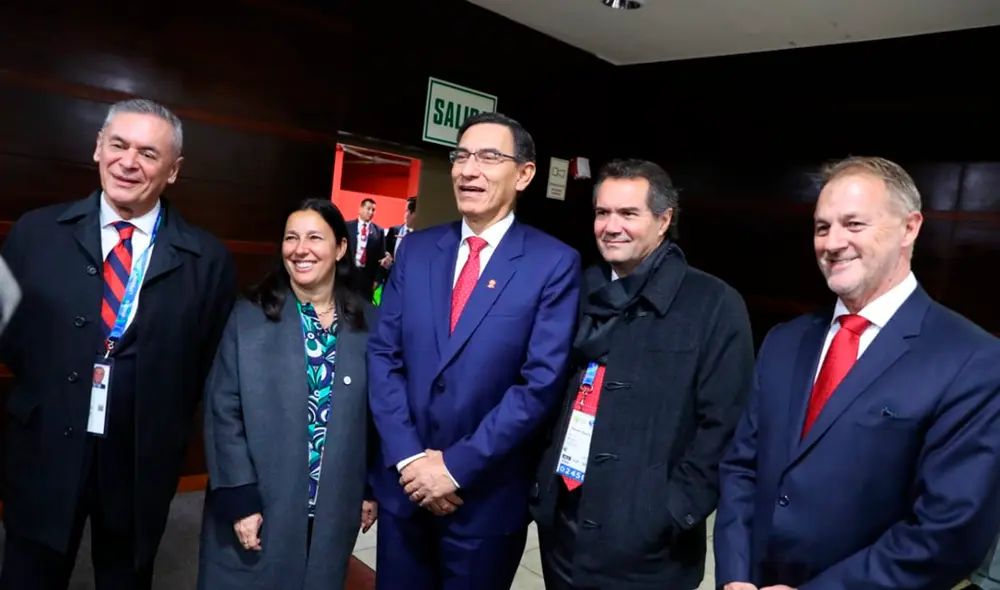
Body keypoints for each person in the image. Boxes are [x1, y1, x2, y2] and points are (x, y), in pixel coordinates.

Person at [714, 156, 1000, 590]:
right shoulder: (784, 342)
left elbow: (949, 530)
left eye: (854, 224)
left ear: (910, 227)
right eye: (822, 226)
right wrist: (734, 576)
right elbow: (741, 469)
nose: (832, 243)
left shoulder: (972, 359)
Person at [0, 98, 237, 589]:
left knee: (125, 579)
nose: (128, 162)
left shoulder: (207, 261)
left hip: (138, 463)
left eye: (149, 154)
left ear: (173, 170)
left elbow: (208, 367)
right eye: (118, 145)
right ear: (97, 149)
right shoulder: (35, 233)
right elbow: (7, 335)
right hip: (43, 447)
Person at [367, 111, 581, 590]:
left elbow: (539, 384)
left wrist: (453, 467)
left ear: (524, 174)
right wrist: (409, 461)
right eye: (461, 156)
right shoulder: (417, 251)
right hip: (405, 493)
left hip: (484, 499)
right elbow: (384, 357)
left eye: (488, 157)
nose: (468, 170)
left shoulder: (553, 264)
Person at [530, 159, 754, 589]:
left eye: (628, 214)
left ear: (663, 220)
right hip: (563, 524)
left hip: (650, 546)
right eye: (602, 213)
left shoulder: (713, 304)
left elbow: (724, 426)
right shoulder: (576, 289)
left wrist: (668, 511)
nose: (611, 226)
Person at [198, 198, 377, 590]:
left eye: (315, 237)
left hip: (333, 501)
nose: (301, 249)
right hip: (260, 500)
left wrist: (369, 488)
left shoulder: (368, 323)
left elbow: (375, 415)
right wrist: (241, 498)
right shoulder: (249, 316)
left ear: (340, 248)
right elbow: (222, 411)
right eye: (291, 238)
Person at [346, 198, 389, 298]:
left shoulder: (379, 232)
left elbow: (381, 257)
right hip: (348, 274)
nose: (370, 212)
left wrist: (377, 280)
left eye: (373, 210)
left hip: (367, 279)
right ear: (360, 209)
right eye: (368, 208)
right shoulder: (348, 226)